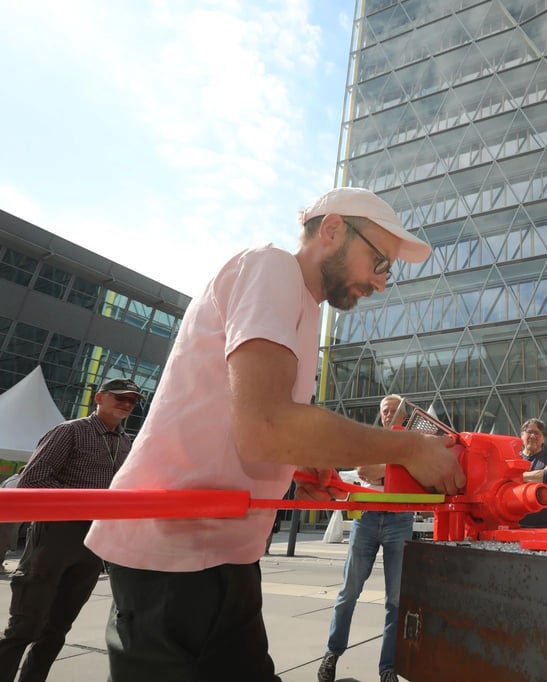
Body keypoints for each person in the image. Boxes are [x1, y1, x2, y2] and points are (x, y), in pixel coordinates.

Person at [84, 187, 466, 682]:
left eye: (387, 269)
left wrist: (301, 467)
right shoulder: (273, 267)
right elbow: (266, 428)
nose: (381, 282)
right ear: (331, 230)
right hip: (177, 556)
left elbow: (256, 427)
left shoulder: (301, 305)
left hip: (217, 551)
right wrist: (410, 447)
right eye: (378, 261)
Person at [0, 377, 142, 682]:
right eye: (121, 397)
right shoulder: (70, 431)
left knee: (56, 630)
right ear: (99, 398)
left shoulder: (128, 443)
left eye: (132, 400)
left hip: (93, 541)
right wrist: (84, 504)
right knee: (24, 627)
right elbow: (32, 481)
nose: (127, 404)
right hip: (55, 537)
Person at [317, 395, 415, 682]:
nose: (386, 414)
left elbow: (416, 476)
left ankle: (388, 669)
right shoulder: (369, 439)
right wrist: (395, 472)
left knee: (396, 599)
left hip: (400, 520)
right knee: (349, 591)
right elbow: (364, 471)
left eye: (392, 410)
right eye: (383, 410)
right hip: (367, 518)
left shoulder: (411, 444)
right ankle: (332, 653)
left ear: (404, 416)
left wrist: (385, 473)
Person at [517, 419, 547, 528]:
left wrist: (517, 477)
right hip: (517, 524)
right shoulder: (514, 457)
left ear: (543, 439)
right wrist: (541, 474)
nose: (532, 436)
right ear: (522, 435)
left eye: (537, 433)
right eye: (529, 432)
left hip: (545, 525)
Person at [0, 472, 22, 572]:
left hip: (5, 513)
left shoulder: (11, 479)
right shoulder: (17, 482)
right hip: (6, 515)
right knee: (3, 540)